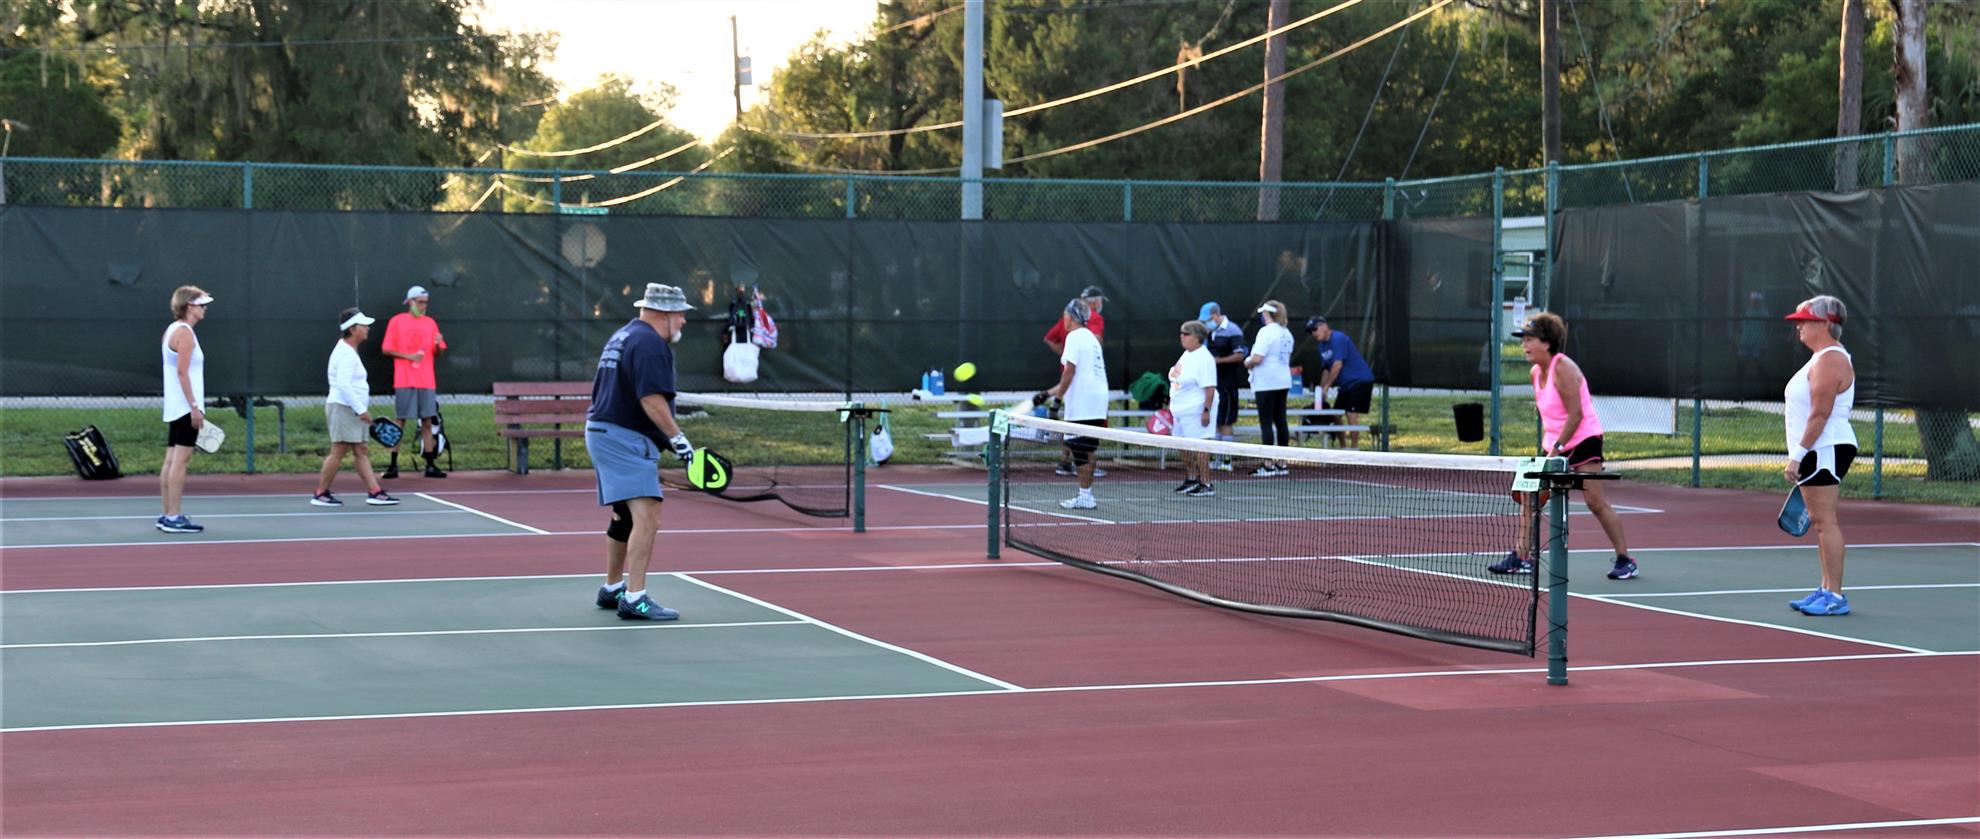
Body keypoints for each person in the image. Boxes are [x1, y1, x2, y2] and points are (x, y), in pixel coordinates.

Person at [1488, 313, 1636, 580]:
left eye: (1530, 340)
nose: (1524, 346)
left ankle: (1625, 559)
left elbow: (1576, 414)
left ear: (1546, 343)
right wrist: (1549, 449)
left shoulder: (1563, 368)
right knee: (1531, 498)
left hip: (1583, 440)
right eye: (1524, 340)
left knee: (1595, 501)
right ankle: (1522, 557)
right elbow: (1549, 416)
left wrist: (1557, 448)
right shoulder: (1535, 372)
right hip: (1555, 445)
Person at [585, 283, 697, 621]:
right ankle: (635, 598)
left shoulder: (624, 335)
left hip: (604, 431)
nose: (683, 322)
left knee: (625, 515)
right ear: (663, 314)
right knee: (649, 514)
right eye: (680, 314)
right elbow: (650, 398)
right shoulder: (650, 343)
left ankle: (612, 588)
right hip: (623, 438)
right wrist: (678, 439)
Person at [1782, 295, 1858, 617]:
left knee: (1825, 521)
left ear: (1826, 324)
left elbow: (1820, 414)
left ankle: (1836, 596)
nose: (1799, 325)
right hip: (1819, 448)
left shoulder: (1831, 359)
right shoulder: (1821, 358)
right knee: (1818, 522)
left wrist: (1797, 456)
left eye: (1805, 320)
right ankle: (1826, 588)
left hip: (1823, 448)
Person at [312, 308, 399, 508]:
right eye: (363, 325)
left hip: (350, 409)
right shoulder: (346, 354)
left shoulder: (348, 350)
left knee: (360, 450)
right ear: (352, 329)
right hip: (343, 408)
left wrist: (359, 409)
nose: (367, 328)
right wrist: (361, 409)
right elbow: (343, 384)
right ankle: (320, 493)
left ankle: (375, 491)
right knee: (338, 451)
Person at [1043, 298, 1110, 509]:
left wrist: (1056, 402)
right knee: (1088, 449)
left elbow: (1069, 373)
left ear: (1069, 317)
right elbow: (1077, 375)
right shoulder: (1091, 338)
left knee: (1079, 450)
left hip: (1083, 402)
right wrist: (1047, 394)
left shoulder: (1073, 337)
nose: (1063, 319)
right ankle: (1086, 495)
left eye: (1064, 315)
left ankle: (1085, 496)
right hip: (1098, 401)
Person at [157, 285, 213, 534]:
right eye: (201, 305)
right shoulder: (186, 334)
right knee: (181, 461)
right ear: (189, 305)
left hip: (175, 406)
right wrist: (194, 408)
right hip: (184, 408)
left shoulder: (172, 330)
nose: (205, 309)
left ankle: (167, 513)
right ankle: (174, 516)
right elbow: (182, 373)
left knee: (171, 460)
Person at [378, 285, 448, 479]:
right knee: (400, 420)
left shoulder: (431, 323)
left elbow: (440, 352)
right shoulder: (397, 322)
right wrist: (408, 356)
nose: (424, 306)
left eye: (426, 303)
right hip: (404, 379)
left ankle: (430, 464)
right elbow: (386, 349)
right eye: (420, 302)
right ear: (410, 302)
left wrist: (437, 343)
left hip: (426, 380)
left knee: (427, 420)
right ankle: (392, 465)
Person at [1307, 315, 1375, 449]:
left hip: (1360, 380)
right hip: (1346, 385)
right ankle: (1343, 448)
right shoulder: (1322, 346)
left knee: (1351, 412)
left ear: (1324, 326)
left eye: (1314, 329)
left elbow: (1337, 365)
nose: (1313, 333)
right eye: (1310, 332)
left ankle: (1354, 449)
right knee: (1336, 414)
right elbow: (1326, 369)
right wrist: (1321, 389)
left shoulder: (1338, 338)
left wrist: (1327, 386)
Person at [1243, 301, 1295, 476]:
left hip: (1267, 383)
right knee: (1281, 420)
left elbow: (1257, 359)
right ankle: (1282, 463)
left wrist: (1247, 362)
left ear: (1267, 314)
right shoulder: (1286, 333)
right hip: (1282, 381)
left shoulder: (1266, 332)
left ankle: (1268, 464)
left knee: (1266, 421)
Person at [1169, 320, 1220, 497]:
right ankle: (1191, 478)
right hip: (1180, 410)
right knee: (1183, 445)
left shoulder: (1204, 358)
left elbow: (1210, 388)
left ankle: (1206, 483)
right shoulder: (1187, 354)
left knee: (1200, 446)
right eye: (1181, 333)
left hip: (1196, 410)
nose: (1181, 336)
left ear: (1197, 337)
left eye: (1186, 333)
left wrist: (1206, 411)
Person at [1201, 302, 1247, 471]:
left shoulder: (1233, 330)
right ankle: (1218, 459)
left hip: (1228, 384)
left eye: (1207, 320)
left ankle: (1227, 461)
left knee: (1226, 422)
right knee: (1217, 421)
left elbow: (1239, 355)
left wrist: (1217, 361)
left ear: (1215, 315)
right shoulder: (1209, 333)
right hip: (1213, 385)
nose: (1206, 323)